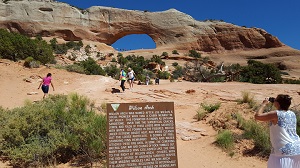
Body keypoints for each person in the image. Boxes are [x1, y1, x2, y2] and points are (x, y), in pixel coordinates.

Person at [255, 94, 300, 168]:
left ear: (277, 103)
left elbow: (257, 116)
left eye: (275, 100)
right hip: (297, 149)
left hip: (283, 152)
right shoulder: (292, 114)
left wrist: (264, 104)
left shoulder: (276, 114)